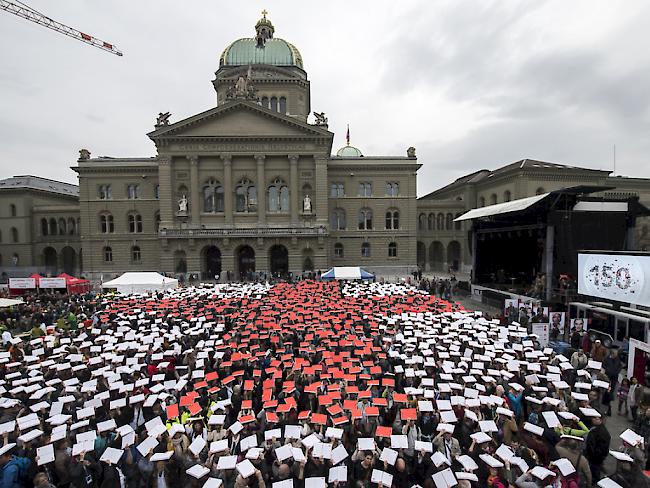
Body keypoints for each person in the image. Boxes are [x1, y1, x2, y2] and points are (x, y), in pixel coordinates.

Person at [584, 413, 610, 481]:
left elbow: (601, 448)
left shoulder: (601, 432)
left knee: (595, 472)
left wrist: (592, 455)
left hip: (595, 458)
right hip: (595, 457)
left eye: (595, 418)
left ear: (600, 420)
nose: (593, 419)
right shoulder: (596, 428)